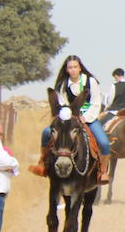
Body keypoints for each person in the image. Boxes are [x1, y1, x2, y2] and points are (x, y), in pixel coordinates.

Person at [42, 55, 111, 183]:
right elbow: (63, 104)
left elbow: (96, 102)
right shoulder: (63, 84)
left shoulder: (90, 81)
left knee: (104, 143)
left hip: (89, 117)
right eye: (70, 67)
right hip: (70, 118)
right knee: (46, 132)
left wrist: (86, 117)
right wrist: (68, 117)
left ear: (80, 68)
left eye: (75, 67)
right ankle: (44, 164)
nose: (73, 70)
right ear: (66, 70)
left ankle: (102, 171)